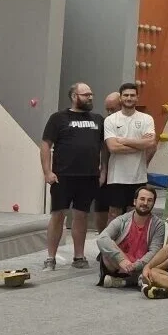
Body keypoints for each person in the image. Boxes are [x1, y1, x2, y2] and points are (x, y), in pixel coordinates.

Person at [40, 83, 105, 271]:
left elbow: (104, 148)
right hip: (63, 176)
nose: (90, 97)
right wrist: (47, 172)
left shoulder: (98, 119)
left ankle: (79, 256)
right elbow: (45, 145)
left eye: (91, 94)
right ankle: (50, 258)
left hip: (88, 176)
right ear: (74, 96)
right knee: (58, 215)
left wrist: (103, 170)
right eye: (86, 95)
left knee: (81, 215)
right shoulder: (58, 118)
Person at [103, 83, 157, 221]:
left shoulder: (146, 119)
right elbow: (113, 147)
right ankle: (112, 236)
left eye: (132, 95)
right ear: (120, 98)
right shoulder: (110, 120)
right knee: (114, 213)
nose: (129, 98)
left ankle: (131, 236)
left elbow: (151, 143)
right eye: (126, 95)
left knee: (134, 212)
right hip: (116, 176)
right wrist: (140, 145)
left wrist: (124, 140)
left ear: (137, 97)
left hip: (138, 176)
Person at [96, 186, 165, 288]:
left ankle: (126, 281)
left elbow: (155, 250)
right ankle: (138, 279)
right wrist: (121, 260)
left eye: (149, 200)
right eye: (142, 199)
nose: (145, 203)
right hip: (120, 265)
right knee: (108, 248)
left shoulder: (158, 224)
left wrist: (137, 265)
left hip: (143, 265)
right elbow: (102, 238)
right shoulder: (122, 220)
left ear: (153, 204)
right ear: (135, 201)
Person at [94, 92, 121, 233]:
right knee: (101, 207)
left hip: (124, 173)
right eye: (107, 110)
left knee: (117, 210)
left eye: (113, 109)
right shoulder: (105, 123)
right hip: (107, 171)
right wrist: (103, 169)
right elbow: (104, 148)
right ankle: (102, 238)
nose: (109, 113)